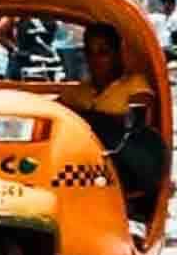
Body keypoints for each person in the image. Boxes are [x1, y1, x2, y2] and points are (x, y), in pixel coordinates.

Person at [60, 23, 168, 225]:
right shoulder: (77, 93)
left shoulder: (134, 84)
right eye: (90, 52)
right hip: (77, 162)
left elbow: (140, 113)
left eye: (103, 52)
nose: (96, 59)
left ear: (118, 54)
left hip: (119, 161)